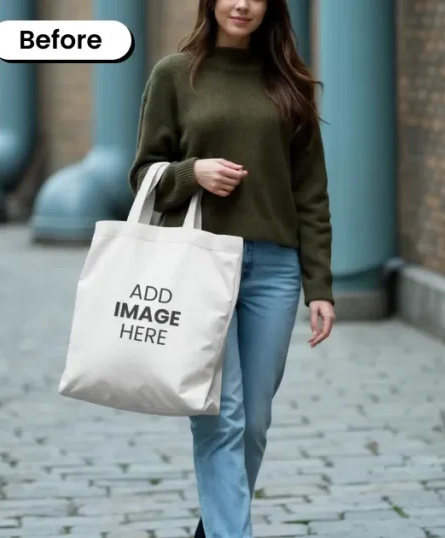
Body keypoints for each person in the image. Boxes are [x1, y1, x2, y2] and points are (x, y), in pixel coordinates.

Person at [126, 0, 336, 536]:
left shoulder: (290, 84)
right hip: (200, 266)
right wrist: (193, 171)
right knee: (221, 416)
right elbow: (144, 174)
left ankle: (215, 526)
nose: (241, 4)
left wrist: (320, 286)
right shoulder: (175, 74)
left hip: (275, 270)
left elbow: (311, 194)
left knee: (255, 423)